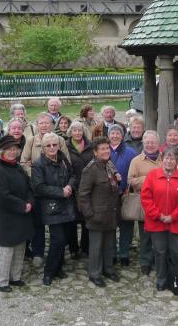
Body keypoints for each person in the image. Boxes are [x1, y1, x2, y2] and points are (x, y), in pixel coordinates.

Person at [21, 113, 70, 266]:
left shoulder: (59, 140)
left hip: (57, 187)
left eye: (47, 123)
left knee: (57, 224)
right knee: (38, 222)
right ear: (37, 125)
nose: (44, 125)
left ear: (52, 124)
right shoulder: (31, 140)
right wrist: (36, 175)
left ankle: (58, 254)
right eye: (41, 123)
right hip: (37, 187)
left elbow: (66, 162)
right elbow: (23, 162)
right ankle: (38, 252)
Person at [141, 146, 178, 294]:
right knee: (160, 252)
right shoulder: (152, 176)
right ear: (162, 159)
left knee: (176, 252)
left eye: (172, 158)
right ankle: (161, 279)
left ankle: (176, 278)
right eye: (167, 158)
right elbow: (146, 198)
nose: (169, 161)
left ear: (177, 161)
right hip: (156, 222)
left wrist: (173, 216)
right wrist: (159, 215)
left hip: (176, 223)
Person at [0, 135, 35, 292]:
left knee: (19, 247)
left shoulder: (18, 167)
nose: (12, 152)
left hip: (21, 215)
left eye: (14, 149)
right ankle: (1, 281)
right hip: (6, 218)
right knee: (6, 250)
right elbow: (3, 196)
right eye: (9, 150)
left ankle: (15, 277)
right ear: (2, 151)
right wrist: (22, 205)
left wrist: (29, 202)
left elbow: (29, 187)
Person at [32, 133, 77, 286]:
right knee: (58, 239)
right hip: (51, 207)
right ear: (43, 148)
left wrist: (70, 186)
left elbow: (73, 175)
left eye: (54, 145)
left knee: (63, 239)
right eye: (48, 145)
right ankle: (48, 272)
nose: (52, 148)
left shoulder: (63, 159)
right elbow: (38, 187)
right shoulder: (39, 164)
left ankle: (58, 268)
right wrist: (60, 192)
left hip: (67, 205)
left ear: (58, 145)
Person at [78, 136, 122, 287]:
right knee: (96, 247)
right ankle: (95, 273)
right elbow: (83, 194)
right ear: (95, 152)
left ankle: (108, 269)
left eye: (107, 148)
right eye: (102, 149)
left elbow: (112, 185)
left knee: (109, 244)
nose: (105, 151)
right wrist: (89, 214)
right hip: (96, 215)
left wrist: (118, 179)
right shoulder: (90, 169)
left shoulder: (109, 164)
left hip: (111, 213)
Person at [127, 130, 162, 275]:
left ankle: (159, 260)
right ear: (143, 143)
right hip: (145, 203)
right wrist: (151, 179)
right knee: (145, 234)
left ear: (158, 144)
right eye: (147, 142)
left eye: (153, 142)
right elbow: (131, 181)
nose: (150, 145)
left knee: (160, 235)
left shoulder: (165, 158)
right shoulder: (136, 161)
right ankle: (145, 262)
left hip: (162, 202)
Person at [108, 124, 138, 267]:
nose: (114, 136)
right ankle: (112, 253)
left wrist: (129, 187)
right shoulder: (104, 150)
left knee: (126, 224)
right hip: (108, 195)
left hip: (125, 193)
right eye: (112, 133)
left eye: (117, 133)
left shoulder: (130, 152)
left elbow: (134, 172)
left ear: (122, 135)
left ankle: (124, 253)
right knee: (111, 224)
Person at [65, 121, 93, 258]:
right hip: (72, 187)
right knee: (72, 220)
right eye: (74, 131)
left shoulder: (90, 145)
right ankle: (73, 248)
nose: (77, 133)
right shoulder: (65, 146)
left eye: (79, 130)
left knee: (86, 219)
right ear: (70, 132)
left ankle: (85, 247)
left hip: (87, 188)